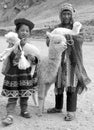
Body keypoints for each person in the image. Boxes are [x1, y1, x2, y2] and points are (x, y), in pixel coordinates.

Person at [46, 3, 91, 121]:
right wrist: (52, 38)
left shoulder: (78, 28)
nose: (66, 16)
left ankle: (71, 111)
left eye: (68, 14)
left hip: (72, 60)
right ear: (60, 15)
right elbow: (49, 42)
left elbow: (80, 39)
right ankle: (58, 107)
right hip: (59, 60)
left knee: (71, 84)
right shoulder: (56, 27)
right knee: (59, 83)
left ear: (72, 15)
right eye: (64, 14)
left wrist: (66, 36)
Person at [1, 18, 39, 125]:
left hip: (26, 74)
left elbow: (36, 60)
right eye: (22, 30)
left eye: (27, 31)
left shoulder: (31, 46)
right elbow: (11, 57)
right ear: (17, 32)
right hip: (14, 73)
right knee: (12, 95)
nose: (24, 33)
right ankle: (9, 114)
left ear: (29, 33)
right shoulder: (13, 44)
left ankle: (24, 110)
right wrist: (22, 52)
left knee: (24, 94)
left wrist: (33, 58)